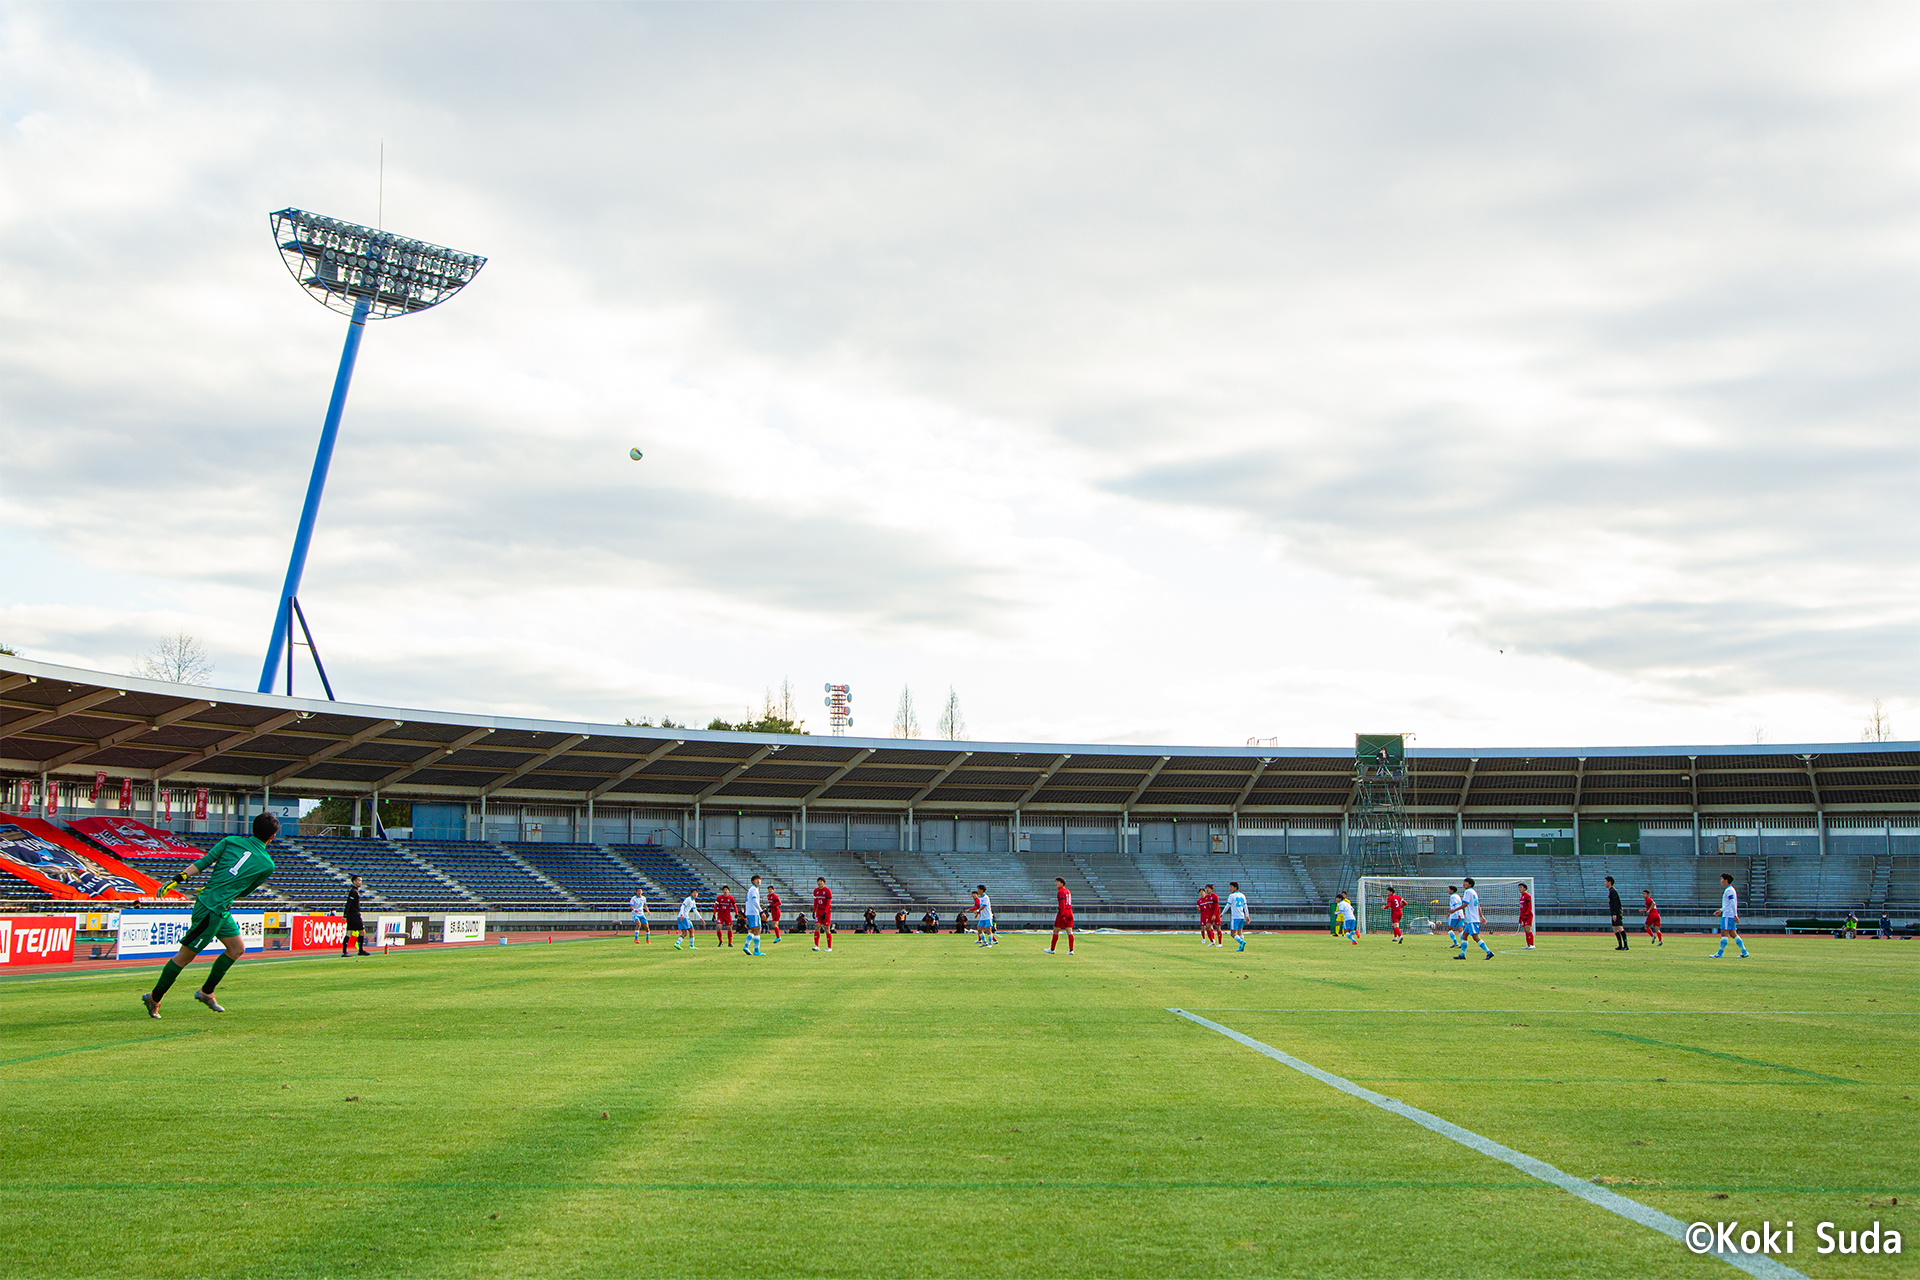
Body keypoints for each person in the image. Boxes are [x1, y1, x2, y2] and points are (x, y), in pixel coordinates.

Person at [141, 812, 279, 1017]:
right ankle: (154, 998)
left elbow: (204, 861)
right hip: (211, 909)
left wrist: (178, 878)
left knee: (236, 948)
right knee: (185, 956)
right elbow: (245, 892)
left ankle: (206, 992)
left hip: (218, 908)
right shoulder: (267, 865)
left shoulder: (230, 841)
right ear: (272, 837)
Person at [1453, 876, 1493, 960]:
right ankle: (1462, 954)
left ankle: (1489, 952)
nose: (1463, 884)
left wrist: (1454, 910)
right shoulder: (1474, 892)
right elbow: (1478, 905)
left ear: (1470, 884)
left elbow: (1465, 904)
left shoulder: (1468, 892)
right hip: (1472, 919)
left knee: (1475, 937)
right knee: (1464, 935)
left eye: (1465, 882)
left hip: (1472, 919)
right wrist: (1481, 916)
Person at [1713, 873, 1749, 958]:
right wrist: (1721, 910)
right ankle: (1744, 952)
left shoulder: (1729, 890)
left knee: (1724, 933)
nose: (1721, 881)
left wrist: (1735, 915)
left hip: (1728, 915)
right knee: (1733, 933)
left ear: (1726, 880)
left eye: (1722, 879)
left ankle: (1720, 953)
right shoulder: (1730, 889)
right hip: (1730, 914)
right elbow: (1729, 903)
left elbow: (1732, 902)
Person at [342, 874, 370, 957]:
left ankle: (345, 951)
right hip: (354, 914)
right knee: (362, 931)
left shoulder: (355, 891)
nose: (360, 882)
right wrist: (345, 915)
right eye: (359, 880)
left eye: (361, 881)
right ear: (354, 882)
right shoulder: (353, 892)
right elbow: (348, 904)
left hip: (352, 914)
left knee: (349, 932)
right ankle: (360, 950)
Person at [1047, 876, 1076, 954]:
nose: (1056, 883)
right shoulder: (1067, 891)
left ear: (1062, 883)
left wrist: (1062, 915)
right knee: (1069, 931)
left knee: (1056, 930)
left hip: (1063, 912)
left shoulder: (1060, 891)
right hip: (1070, 911)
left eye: (1058, 882)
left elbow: (1062, 903)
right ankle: (1071, 950)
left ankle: (1052, 949)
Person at [742, 875, 765, 957]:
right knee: (757, 930)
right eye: (756, 880)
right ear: (752, 881)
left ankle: (746, 946)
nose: (758, 881)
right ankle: (756, 950)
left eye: (759, 880)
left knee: (753, 930)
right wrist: (761, 911)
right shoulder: (754, 889)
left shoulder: (752, 889)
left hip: (750, 912)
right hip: (753, 912)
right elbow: (755, 901)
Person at [811, 877, 834, 952]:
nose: (819, 883)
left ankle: (829, 947)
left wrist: (826, 912)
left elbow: (828, 903)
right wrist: (814, 911)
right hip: (819, 912)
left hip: (826, 912)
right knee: (817, 926)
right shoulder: (815, 891)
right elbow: (815, 902)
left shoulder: (827, 891)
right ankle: (816, 945)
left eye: (821, 881)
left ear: (824, 883)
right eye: (818, 881)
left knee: (826, 928)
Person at [1606, 876, 1627, 951]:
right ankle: (1620, 945)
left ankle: (1626, 945)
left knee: (1620, 928)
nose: (1605, 883)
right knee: (1615, 929)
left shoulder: (1613, 891)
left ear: (1609, 882)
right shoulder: (1611, 891)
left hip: (1617, 913)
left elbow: (1616, 903)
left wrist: (1615, 913)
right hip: (1614, 913)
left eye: (1606, 881)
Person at [1225, 882, 1249, 952]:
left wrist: (1222, 913)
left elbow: (1227, 906)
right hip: (1242, 916)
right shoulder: (1243, 895)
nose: (1230, 888)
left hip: (1235, 917)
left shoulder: (1232, 896)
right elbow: (1245, 906)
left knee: (1233, 933)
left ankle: (1241, 942)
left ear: (1235, 888)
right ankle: (1241, 947)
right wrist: (1247, 916)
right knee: (1240, 932)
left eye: (1231, 887)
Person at [1517, 882, 1535, 950]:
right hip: (1523, 915)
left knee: (1528, 929)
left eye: (1521, 887)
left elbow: (1529, 906)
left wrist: (1527, 914)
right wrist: (1520, 917)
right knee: (1525, 930)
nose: (1519, 889)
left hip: (1528, 915)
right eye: (1519, 888)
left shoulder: (1527, 896)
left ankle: (1532, 944)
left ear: (1525, 888)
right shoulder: (1521, 897)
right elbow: (1522, 908)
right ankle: (1528, 944)